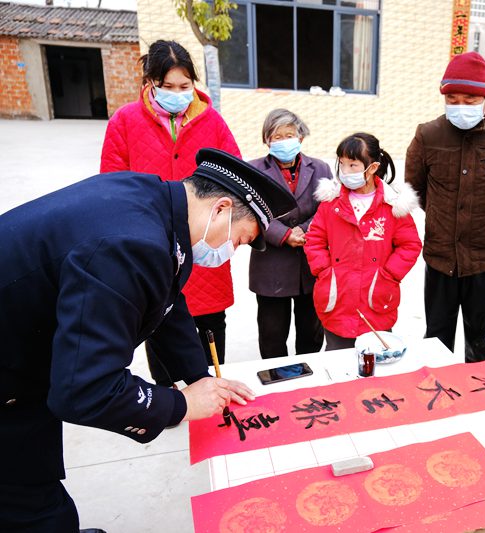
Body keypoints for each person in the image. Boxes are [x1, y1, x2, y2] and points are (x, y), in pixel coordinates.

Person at [0, 149, 296, 532]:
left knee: (33, 488)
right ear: (221, 209)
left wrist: (197, 376)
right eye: (239, 240)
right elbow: (85, 389)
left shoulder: (154, 204)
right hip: (10, 377)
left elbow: (166, 300)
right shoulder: (129, 244)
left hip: (20, 350)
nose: (229, 253)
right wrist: (179, 404)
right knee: (32, 508)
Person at [100, 39, 240, 383]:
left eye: (185, 86)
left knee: (208, 328)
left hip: (203, 241)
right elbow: (111, 188)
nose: (177, 93)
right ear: (150, 83)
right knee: (158, 322)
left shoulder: (213, 123)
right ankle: (169, 402)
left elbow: (233, 178)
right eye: (167, 87)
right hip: (151, 247)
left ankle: (210, 389)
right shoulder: (125, 121)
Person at [405, 51, 485, 363]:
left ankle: (475, 403)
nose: (461, 106)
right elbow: (415, 188)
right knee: (436, 339)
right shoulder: (428, 134)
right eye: (454, 99)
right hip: (440, 259)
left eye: (470, 99)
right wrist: (442, 217)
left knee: (480, 342)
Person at [305, 133, 422, 350]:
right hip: (337, 296)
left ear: (373, 167)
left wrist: (389, 275)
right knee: (338, 359)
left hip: (376, 296)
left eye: (353, 165)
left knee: (376, 362)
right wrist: (324, 271)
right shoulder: (331, 203)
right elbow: (314, 239)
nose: (345, 171)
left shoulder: (393, 205)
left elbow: (410, 244)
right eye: (342, 164)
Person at [248, 109, 332, 358]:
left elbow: (328, 209)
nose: (284, 141)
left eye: (289, 135)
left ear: (301, 137)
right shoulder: (253, 170)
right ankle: (277, 382)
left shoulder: (320, 168)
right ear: (267, 140)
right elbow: (250, 211)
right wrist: (283, 234)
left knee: (311, 335)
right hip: (270, 265)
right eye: (276, 136)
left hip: (310, 264)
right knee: (272, 337)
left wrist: (304, 230)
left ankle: (310, 385)